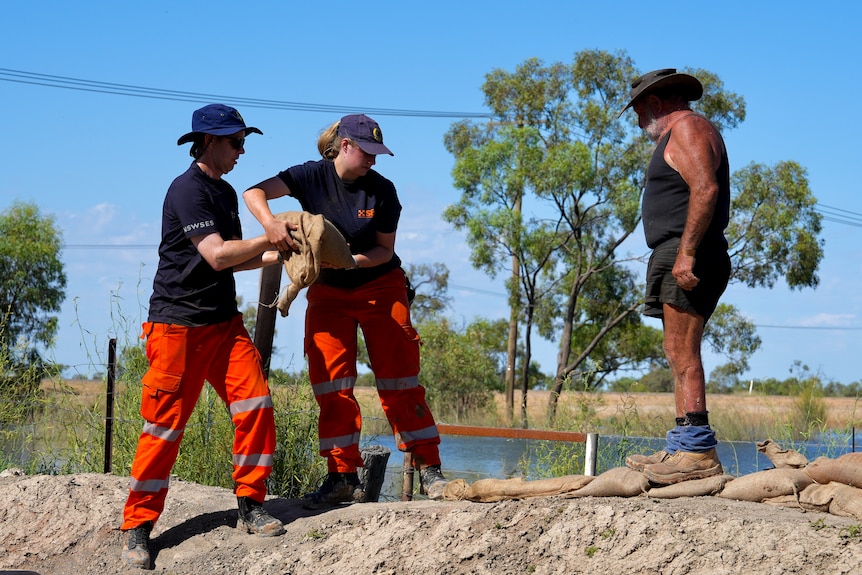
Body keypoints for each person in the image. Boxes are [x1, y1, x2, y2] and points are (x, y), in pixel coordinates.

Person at [243, 113, 449, 508]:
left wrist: (349, 262)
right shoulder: (308, 176)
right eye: (367, 152)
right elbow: (253, 192)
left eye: (378, 153)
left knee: (400, 381)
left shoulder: (383, 191)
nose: (373, 160)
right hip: (328, 293)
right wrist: (271, 224)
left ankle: (429, 469)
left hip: (380, 286)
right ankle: (342, 477)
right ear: (346, 146)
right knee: (332, 385)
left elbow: (383, 251)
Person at [121, 104, 285, 569]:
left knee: (256, 405)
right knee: (164, 429)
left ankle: (251, 505)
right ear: (209, 141)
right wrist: (272, 232)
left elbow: (239, 257)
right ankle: (137, 527)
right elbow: (215, 255)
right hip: (177, 328)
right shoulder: (186, 190)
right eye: (236, 142)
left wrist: (286, 255)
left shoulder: (227, 191)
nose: (241, 150)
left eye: (243, 142)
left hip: (223, 324)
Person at [619, 69, 731, 485]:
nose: (636, 121)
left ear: (654, 104)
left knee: (684, 352)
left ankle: (698, 451)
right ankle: (683, 444)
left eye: (636, 110)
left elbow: (704, 190)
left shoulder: (687, 129)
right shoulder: (684, 132)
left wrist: (685, 254)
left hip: (688, 251)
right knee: (675, 351)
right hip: (677, 251)